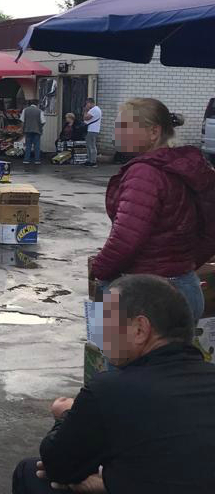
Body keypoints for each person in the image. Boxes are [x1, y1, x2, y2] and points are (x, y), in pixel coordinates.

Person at [11, 274, 215, 494]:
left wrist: (65, 416)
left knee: (30, 472)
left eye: (107, 322)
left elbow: (57, 465)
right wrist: (109, 483)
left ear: (139, 330)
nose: (100, 334)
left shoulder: (109, 390)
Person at [89, 98, 215, 323]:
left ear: (154, 132)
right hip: (186, 288)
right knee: (178, 349)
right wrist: (183, 265)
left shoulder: (144, 173)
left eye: (125, 127)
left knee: (113, 346)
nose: (117, 133)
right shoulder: (187, 167)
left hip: (147, 296)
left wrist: (98, 269)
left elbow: (126, 239)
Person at [21, 99, 44, 165]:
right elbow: (43, 121)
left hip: (27, 130)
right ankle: (37, 160)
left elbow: (22, 121)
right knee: (37, 146)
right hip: (37, 131)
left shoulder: (25, 110)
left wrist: (23, 129)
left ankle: (26, 160)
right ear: (37, 104)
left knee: (28, 145)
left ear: (29, 104)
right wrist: (40, 127)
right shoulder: (40, 111)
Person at [84, 98, 102, 166]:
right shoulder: (95, 109)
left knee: (91, 145)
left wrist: (86, 110)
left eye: (87, 103)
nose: (86, 105)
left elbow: (86, 118)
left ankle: (93, 161)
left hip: (92, 130)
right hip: (91, 129)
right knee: (89, 145)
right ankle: (89, 160)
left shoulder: (94, 109)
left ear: (90, 103)